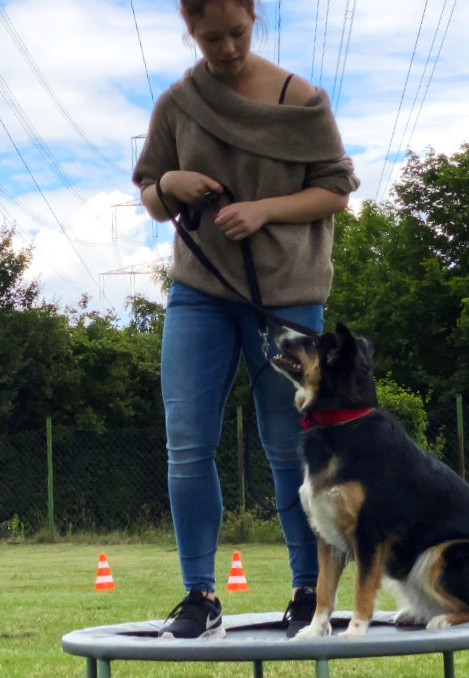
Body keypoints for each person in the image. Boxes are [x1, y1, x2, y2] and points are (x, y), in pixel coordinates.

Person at [132, 0, 360, 638]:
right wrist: (171, 183)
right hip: (199, 292)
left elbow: (337, 189)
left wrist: (263, 211)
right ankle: (199, 597)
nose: (226, 49)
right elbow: (149, 195)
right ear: (190, 30)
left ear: (253, 19)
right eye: (211, 39)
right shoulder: (177, 105)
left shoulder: (302, 100)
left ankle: (309, 592)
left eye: (236, 34)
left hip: (285, 294)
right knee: (187, 445)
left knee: (290, 446)